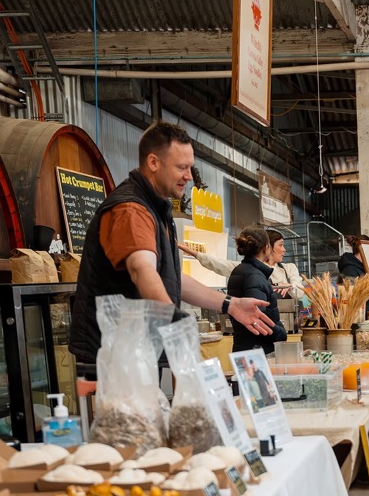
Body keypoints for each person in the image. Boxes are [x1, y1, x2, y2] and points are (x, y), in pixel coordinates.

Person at [69, 121, 273, 366]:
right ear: (154, 162)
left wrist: (231, 304)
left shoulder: (157, 209)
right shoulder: (131, 209)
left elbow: (173, 278)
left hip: (134, 354)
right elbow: (141, 269)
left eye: (190, 167)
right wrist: (174, 322)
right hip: (114, 361)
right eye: (181, 167)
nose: (189, 176)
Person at [178, 228, 305, 300]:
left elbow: (300, 293)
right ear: (268, 247)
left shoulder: (289, 269)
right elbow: (218, 264)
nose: (284, 250)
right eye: (281, 245)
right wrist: (194, 253)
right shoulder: (247, 269)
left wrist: (290, 286)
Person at [227, 226, 287, 355]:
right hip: (258, 350)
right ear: (267, 248)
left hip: (244, 346)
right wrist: (280, 333)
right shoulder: (255, 276)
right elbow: (257, 318)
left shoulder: (240, 270)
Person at [337, 234, 369, 314]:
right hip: (359, 319)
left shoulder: (364, 269)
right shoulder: (350, 271)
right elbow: (350, 301)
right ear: (364, 250)